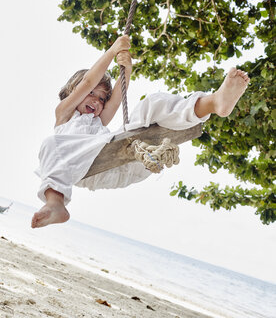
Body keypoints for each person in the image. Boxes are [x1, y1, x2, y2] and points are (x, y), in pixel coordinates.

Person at [32, 35, 250, 229]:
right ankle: (55, 204)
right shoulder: (65, 114)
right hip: (87, 171)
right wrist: (112, 51)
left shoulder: (98, 122)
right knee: (51, 144)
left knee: (153, 103)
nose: (97, 102)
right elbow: (89, 80)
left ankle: (214, 103)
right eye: (92, 94)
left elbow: (118, 99)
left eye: (101, 99)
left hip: (126, 162)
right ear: (74, 91)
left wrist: (126, 68)